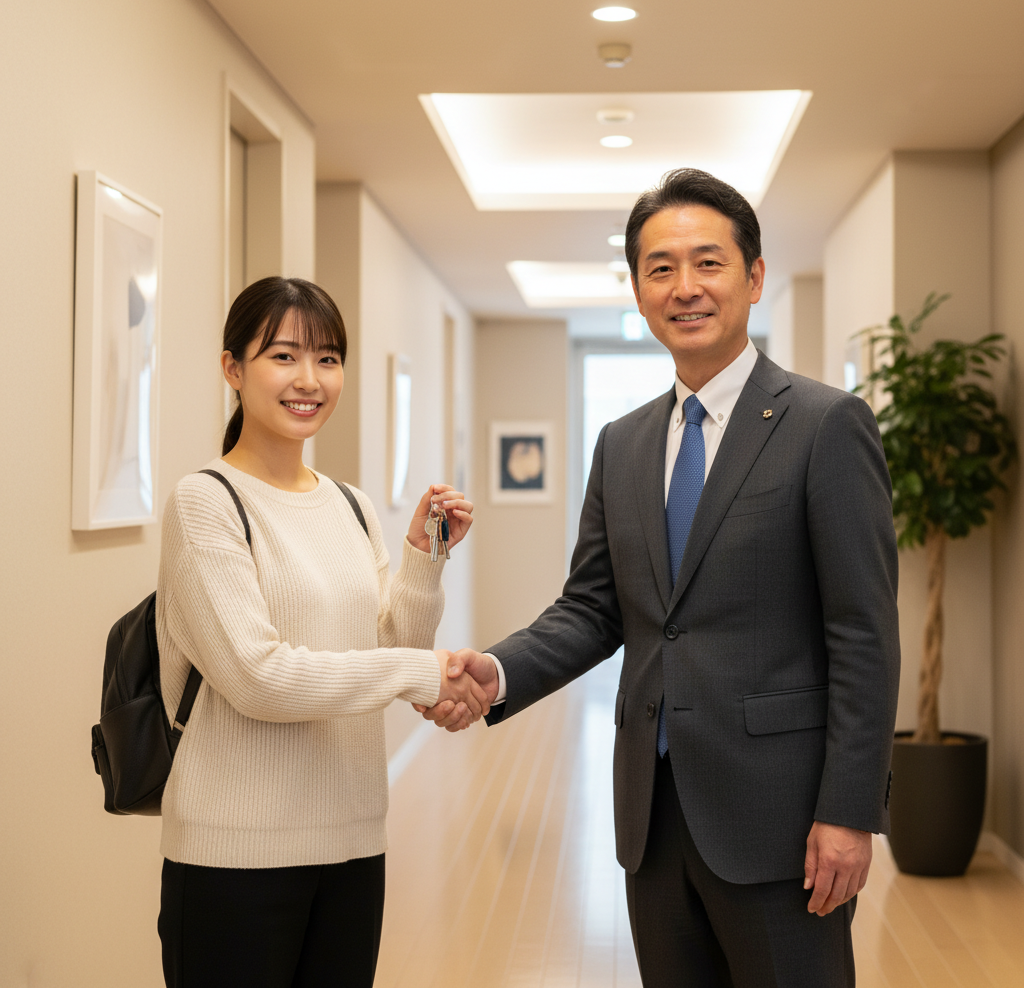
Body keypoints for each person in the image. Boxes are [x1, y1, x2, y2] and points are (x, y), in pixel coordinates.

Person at [422, 170, 901, 987]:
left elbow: (863, 632)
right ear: (640, 290)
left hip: (781, 819)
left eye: (708, 264)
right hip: (654, 814)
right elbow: (593, 609)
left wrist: (848, 812)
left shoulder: (825, 425)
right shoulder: (623, 443)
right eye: (661, 268)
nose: (685, 288)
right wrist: (496, 671)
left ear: (753, 277)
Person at [155, 276, 485, 988]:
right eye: (283, 356)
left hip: (353, 839)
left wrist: (424, 559)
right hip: (233, 857)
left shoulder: (350, 504)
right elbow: (258, 678)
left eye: (328, 358)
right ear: (232, 369)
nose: (310, 380)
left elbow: (390, 646)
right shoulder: (205, 503)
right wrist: (426, 674)